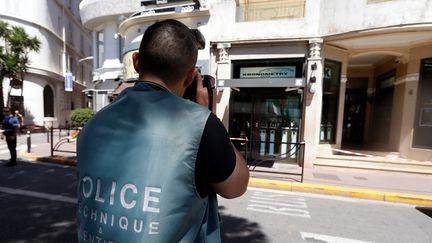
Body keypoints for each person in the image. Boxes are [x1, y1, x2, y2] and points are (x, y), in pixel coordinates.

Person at [77, 19, 249, 243]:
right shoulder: (200, 125)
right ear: (190, 77)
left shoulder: (92, 125)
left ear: (136, 61)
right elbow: (236, 186)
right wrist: (207, 115)